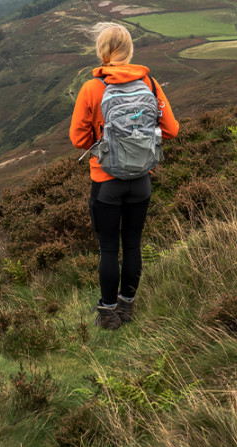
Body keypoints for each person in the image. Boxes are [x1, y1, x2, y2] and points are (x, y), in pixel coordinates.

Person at [69, 23, 179, 330]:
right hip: (141, 180)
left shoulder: (93, 88)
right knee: (133, 244)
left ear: (102, 51)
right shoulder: (151, 84)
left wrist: (103, 139)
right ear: (129, 50)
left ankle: (108, 313)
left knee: (108, 248)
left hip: (106, 183)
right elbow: (172, 130)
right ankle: (127, 306)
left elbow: (78, 138)